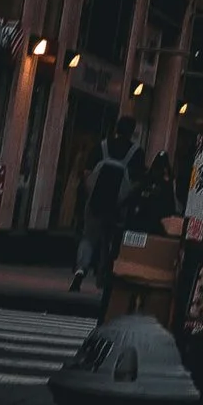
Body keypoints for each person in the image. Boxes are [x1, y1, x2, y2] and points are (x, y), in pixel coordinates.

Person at [73, 127, 139, 298]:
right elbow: (135, 183)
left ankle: (80, 269)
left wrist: (91, 195)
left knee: (88, 237)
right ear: (132, 132)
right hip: (117, 206)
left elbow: (87, 174)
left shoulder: (101, 147)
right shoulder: (135, 152)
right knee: (109, 241)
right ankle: (103, 277)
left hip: (95, 201)